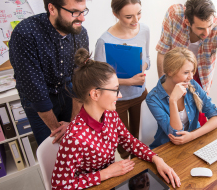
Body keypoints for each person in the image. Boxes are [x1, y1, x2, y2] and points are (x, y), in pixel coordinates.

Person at [51, 48, 181, 190]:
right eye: (115, 90)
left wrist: (157, 159)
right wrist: (104, 174)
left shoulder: (110, 115)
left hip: (112, 182)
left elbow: (129, 142)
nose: (119, 96)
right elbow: (59, 185)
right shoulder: (75, 137)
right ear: (95, 94)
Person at [9, 0, 91, 145]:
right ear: (52, 9)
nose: (82, 19)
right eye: (75, 12)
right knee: (53, 146)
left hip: (69, 91)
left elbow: (80, 79)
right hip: (39, 97)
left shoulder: (81, 32)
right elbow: (35, 90)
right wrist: (57, 130)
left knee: (76, 142)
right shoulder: (25, 34)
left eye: (84, 11)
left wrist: (72, 125)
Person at [95, 0, 149, 159]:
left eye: (139, 13)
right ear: (115, 14)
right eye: (128, 16)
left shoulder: (145, 30)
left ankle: (138, 168)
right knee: (124, 145)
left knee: (139, 137)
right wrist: (129, 81)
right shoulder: (104, 41)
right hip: (117, 100)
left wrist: (143, 66)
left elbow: (147, 57)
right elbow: (99, 80)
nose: (135, 20)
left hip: (140, 93)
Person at [146, 47, 217, 149]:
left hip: (193, 141)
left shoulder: (192, 85)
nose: (191, 77)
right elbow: (176, 135)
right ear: (170, 72)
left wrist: (192, 135)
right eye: (186, 72)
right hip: (167, 147)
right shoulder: (153, 98)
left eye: (192, 71)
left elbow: (216, 117)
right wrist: (172, 101)